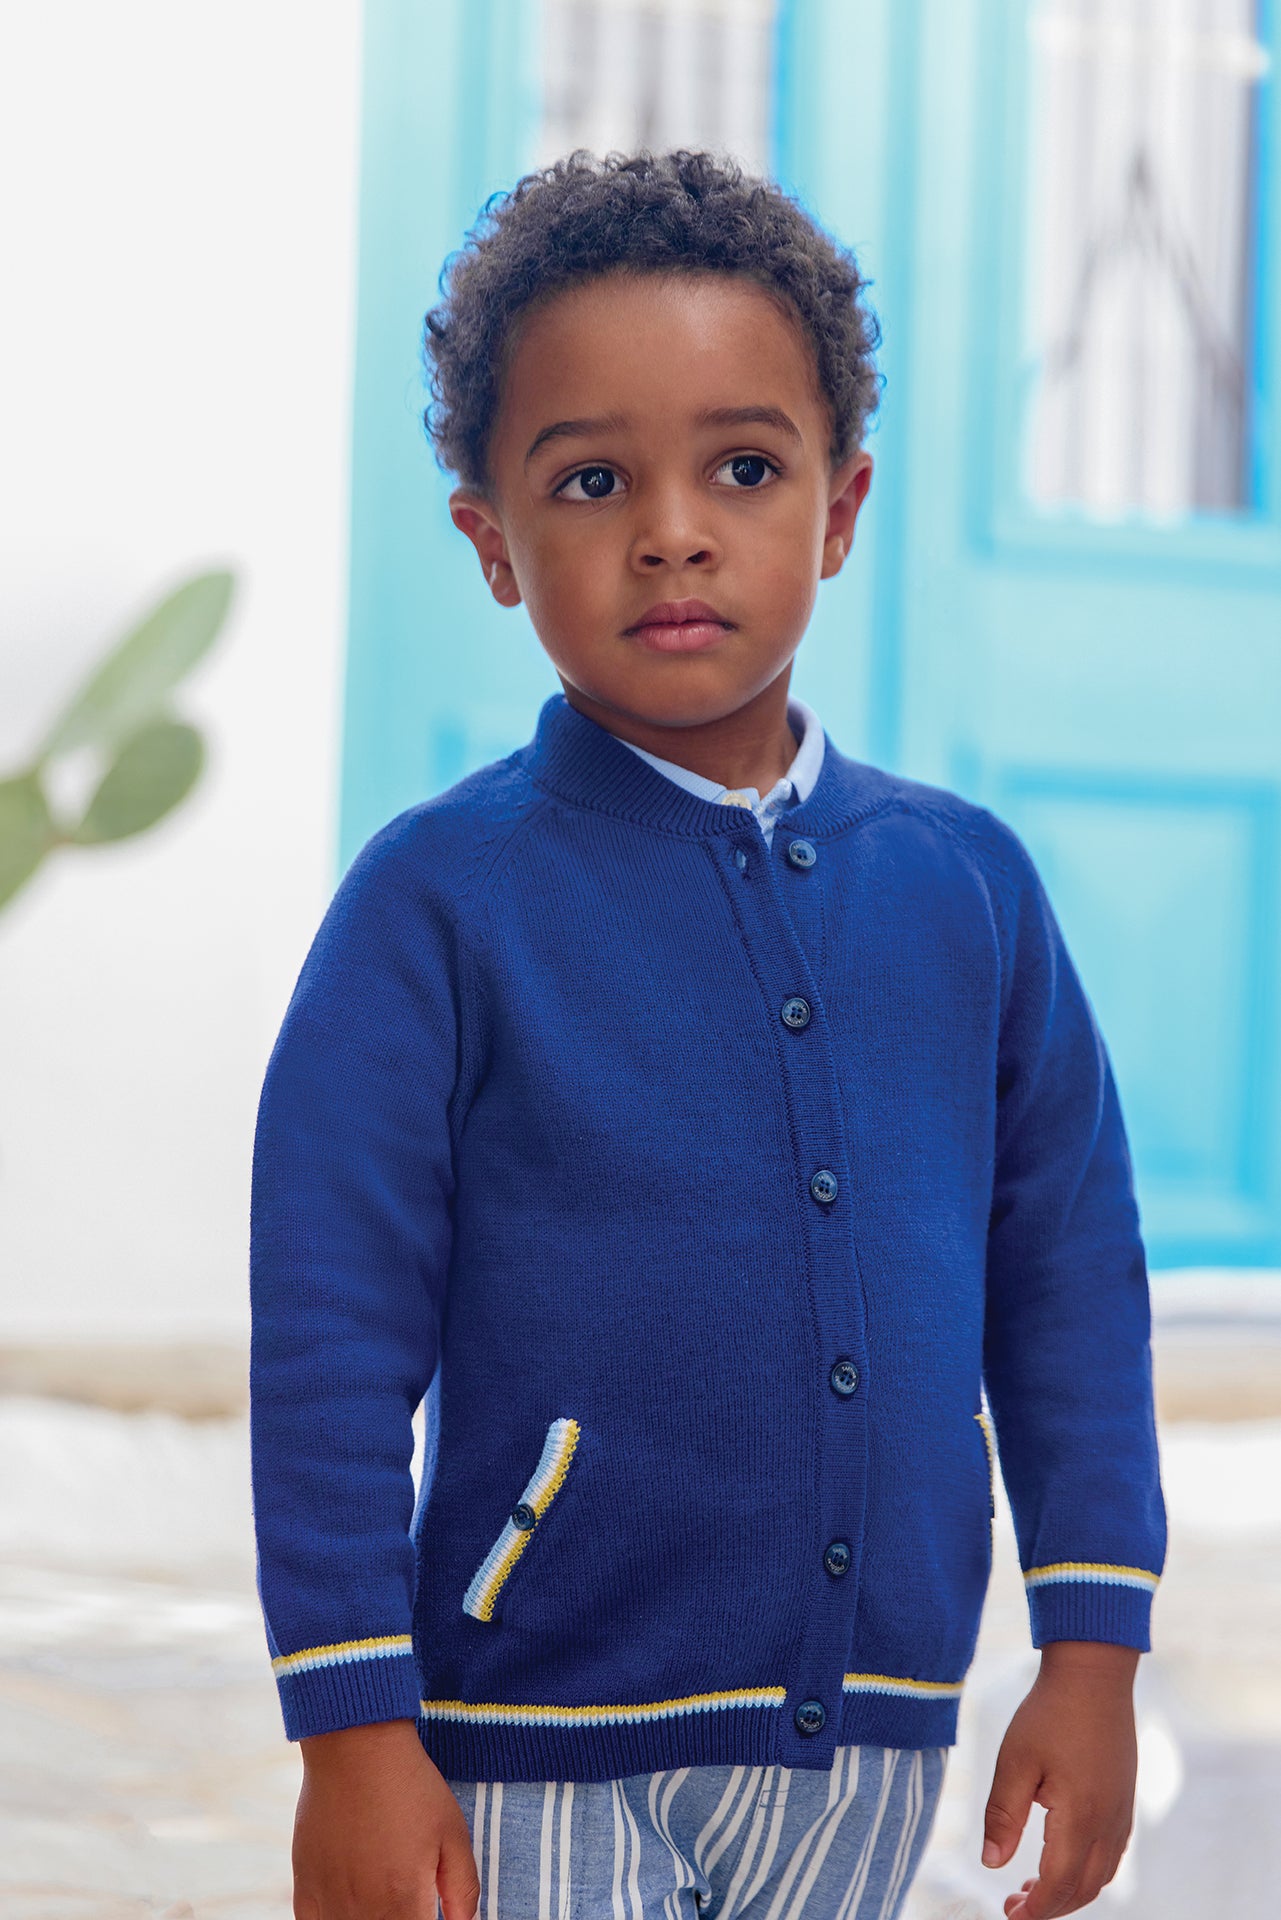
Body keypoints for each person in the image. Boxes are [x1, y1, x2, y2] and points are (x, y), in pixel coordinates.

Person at [249, 149, 1167, 1920]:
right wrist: (351, 1732)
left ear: (838, 509)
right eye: (591, 480)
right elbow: (328, 1339)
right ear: (491, 544)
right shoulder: (435, 904)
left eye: (743, 468)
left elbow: (1065, 1277)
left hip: (868, 1738)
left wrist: (1091, 1646)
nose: (671, 529)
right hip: (532, 1729)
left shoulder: (967, 891)